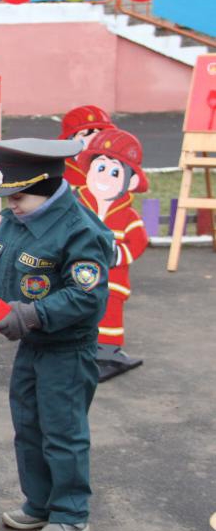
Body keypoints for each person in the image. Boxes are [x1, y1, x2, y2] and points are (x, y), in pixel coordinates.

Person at [0, 137, 112, 531]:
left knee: (63, 431)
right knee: (28, 425)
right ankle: (40, 502)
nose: (12, 205)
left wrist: (29, 314)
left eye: (20, 197)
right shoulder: (17, 218)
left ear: (46, 189)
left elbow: (86, 296)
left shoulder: (80, 231)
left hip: (66, 348)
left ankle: (70, 513)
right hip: (33, 347)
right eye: (8, 196)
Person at [72, 128, 150, 381]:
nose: (105, 177)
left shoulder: (128, 215)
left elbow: (139, 241)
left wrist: (118, 255)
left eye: (115, 172)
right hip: (77, 273)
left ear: (131, 181)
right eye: (100, 168)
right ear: (89, 170)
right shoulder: (79, 204)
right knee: (76, 309)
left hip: (112, 279)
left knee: (109, 314)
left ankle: (107, 352)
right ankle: (77, 348)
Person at [58, 105, 114, 188]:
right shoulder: (63, 169)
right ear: (70, 139)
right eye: (84, 134)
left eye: (99, 134)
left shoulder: (112, 164)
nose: (92, 139)